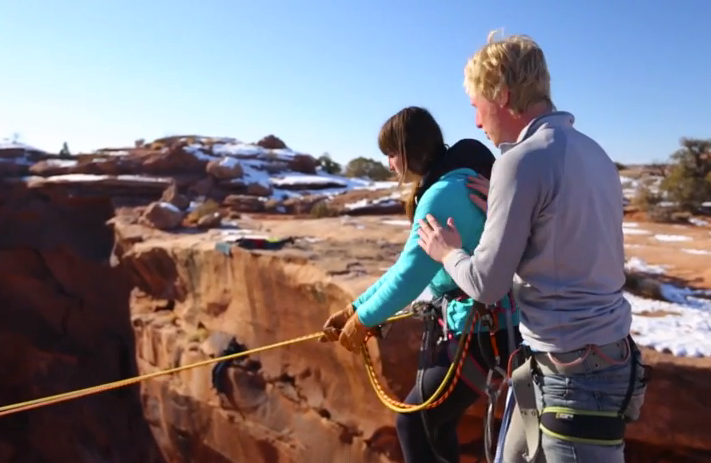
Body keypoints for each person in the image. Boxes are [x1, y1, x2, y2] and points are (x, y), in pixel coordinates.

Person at [416, 31, 650, 463]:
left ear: (502, 95)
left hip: (574, 379)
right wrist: (509, 203)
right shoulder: (593, 152)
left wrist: (445, 251)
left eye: (476, 106)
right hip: (594, 363)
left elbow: (486, 285)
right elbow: (564, 234)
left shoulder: (519, 161)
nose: (477, 123)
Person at [319, 106, 522, 463]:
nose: (389, 164)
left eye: (391, 154)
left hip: (479, 333)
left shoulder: (443, 193)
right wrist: (356, 308)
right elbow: (409, 266)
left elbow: (410, 275)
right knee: (436, 425)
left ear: (408, 151)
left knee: (413, 423)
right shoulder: (455, 178)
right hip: (486, 326)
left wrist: (364, 320)